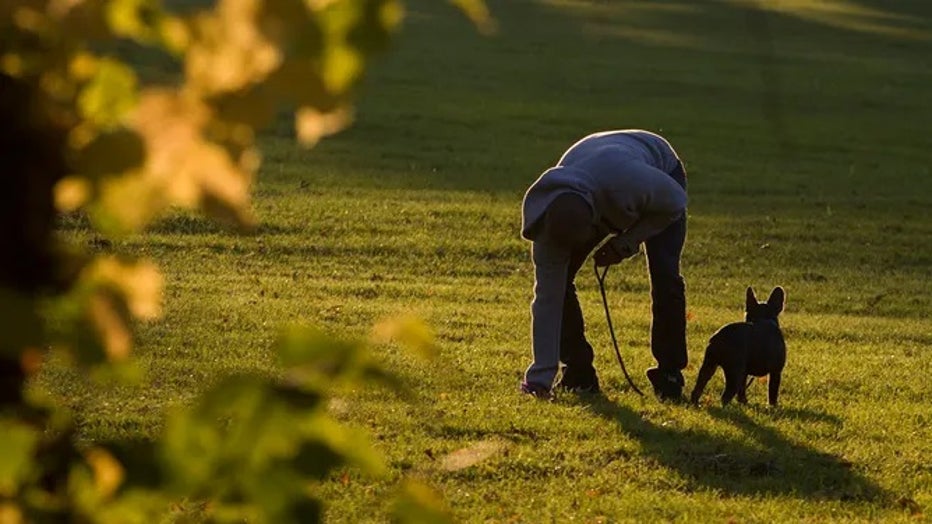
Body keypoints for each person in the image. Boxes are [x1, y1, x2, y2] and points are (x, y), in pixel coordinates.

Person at [520, 129, 689, 401]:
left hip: (658, 170)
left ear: (594, 224)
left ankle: (669, 373)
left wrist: (626, 243)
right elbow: (546, 300)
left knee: (665, 276)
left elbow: (676, 203)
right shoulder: (548, 223)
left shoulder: (632, 184)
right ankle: (578, 374)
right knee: (558, 286)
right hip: (599, 178)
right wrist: (539, 379)